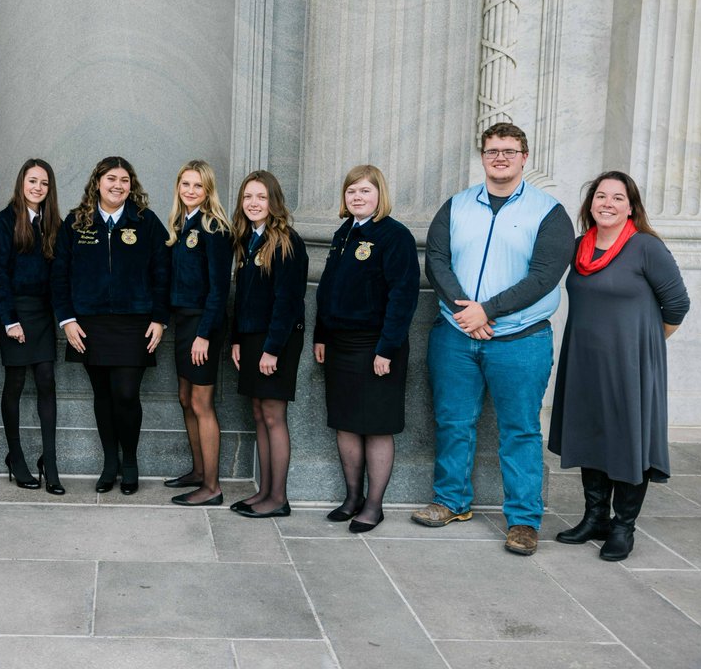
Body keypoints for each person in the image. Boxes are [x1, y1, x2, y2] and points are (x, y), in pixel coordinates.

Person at [413, 122, 574, 556]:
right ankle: (451, 501)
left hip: (521, 340)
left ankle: (523, 520)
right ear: (482, 157)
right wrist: (467, 311)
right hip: (456, 335)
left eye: (509, 151)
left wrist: (489, 310)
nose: (500, 158)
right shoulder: (457, 205)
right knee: (453, 422)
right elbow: (437, 261)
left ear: (525, 157)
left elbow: (544, 276)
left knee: (520, 430)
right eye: (492, 151)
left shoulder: (549, 212)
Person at [548, 171, 690, 561]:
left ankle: (623, 527)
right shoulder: (579, 247)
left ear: (631, 207)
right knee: (591, 433)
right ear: (590, 203)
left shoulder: (645, 247)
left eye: (617, 198)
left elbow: (677, 305)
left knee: (629, 438)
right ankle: (595, 517)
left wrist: (644, 344)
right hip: (584, 361)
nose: (607, 203)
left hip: (631, 364)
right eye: (600, 196)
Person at [52, 156, 170, 495]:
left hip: (136, 323)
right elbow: (59, 274)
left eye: (124, 180)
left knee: (126, 394)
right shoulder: (76, 222)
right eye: (111, 179)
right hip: (89, 324)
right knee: (102, 395)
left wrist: (160, 318)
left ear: (131, 186)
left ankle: (129, 462)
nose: (118, 185)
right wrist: (67, 320)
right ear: (97, 182)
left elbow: (163, 273)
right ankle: (109, 464)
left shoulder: (146, 222)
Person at [313, 165, 419, 532]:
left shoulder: (395, 236)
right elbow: (328, 290)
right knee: (345, 423)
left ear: (379, 195)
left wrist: (386, 349)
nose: (357, 197)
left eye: (365, 191)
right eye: (351, 191)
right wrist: (321, 334)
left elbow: (403, 297)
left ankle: (374, 506)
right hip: (340, 345)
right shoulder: (344, 233)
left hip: (376, 346)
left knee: (376, 426)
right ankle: (353, 497)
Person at [229, 170, 308, 518]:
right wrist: (236, 339)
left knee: (274, 416)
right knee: (259, 414)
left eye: (261, 197)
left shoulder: (287, 242)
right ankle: (264, 491)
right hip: (251, 339)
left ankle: (278, 498)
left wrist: (272, 349)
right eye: (248, 196)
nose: (253, 203)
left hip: (277, 340)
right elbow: (242, 298)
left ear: (273, 201)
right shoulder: (248, 239)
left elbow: (287, 302)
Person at [0, 159, 65, 494]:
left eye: (44, 183)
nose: (38, 188)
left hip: (43, 314)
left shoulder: (53, 224)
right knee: (16, 382)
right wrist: (9, 320)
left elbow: (60, 274)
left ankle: (50, 461)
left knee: (46, 380)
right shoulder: (4, 222)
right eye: (32, 181)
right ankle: (16, 457)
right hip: (15, 312)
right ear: (21, 183)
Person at [164, 160, 233, 506]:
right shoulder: (180, 224)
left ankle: (212, 487)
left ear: (208, 191)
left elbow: (219, 289)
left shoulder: (214, 227)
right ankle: (198, 471)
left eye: (198, 185)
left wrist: (204, 334)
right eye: (186, 184)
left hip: (203, 324)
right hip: (183, 322)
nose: (190, 191)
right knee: (185, 398)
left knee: (201, 403)